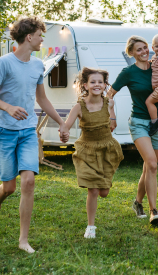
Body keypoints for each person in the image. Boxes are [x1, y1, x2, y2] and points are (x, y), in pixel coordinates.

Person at [0, 16, 66, 253]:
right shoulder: (3, 63)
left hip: (28, 130)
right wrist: (8, 108)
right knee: (9, 188)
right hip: (5, 131)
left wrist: (61, 122)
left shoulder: (38, 65)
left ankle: (23, 240)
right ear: (29, 37)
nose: (42, 40)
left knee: (28, 181)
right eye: (40, 35)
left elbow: (41, 98)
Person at [59, 68, 124, 239]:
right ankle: (91, 227)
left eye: (100, 82)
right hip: (87, 150)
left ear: (104, 85)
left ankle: (104, 186)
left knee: (104, 192)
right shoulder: (79, 107)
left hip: (106, 149)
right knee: (93, 190)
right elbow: (66, 125)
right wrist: (63, 132)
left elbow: (112, 122)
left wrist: (112, 119)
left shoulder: (109, 103)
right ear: (85, 85)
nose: (97, 85)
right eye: (93, 82)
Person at [107, 35, 158, 225]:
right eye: (138, 49)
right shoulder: (128, 72)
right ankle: (153, 210)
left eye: (145, 48)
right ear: (131, 53)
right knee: (152, 165)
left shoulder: (157, 67)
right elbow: (109, 94)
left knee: (149, 166)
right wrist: (111, 115)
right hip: (139, 122)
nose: (144, 52)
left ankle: (137, 202)